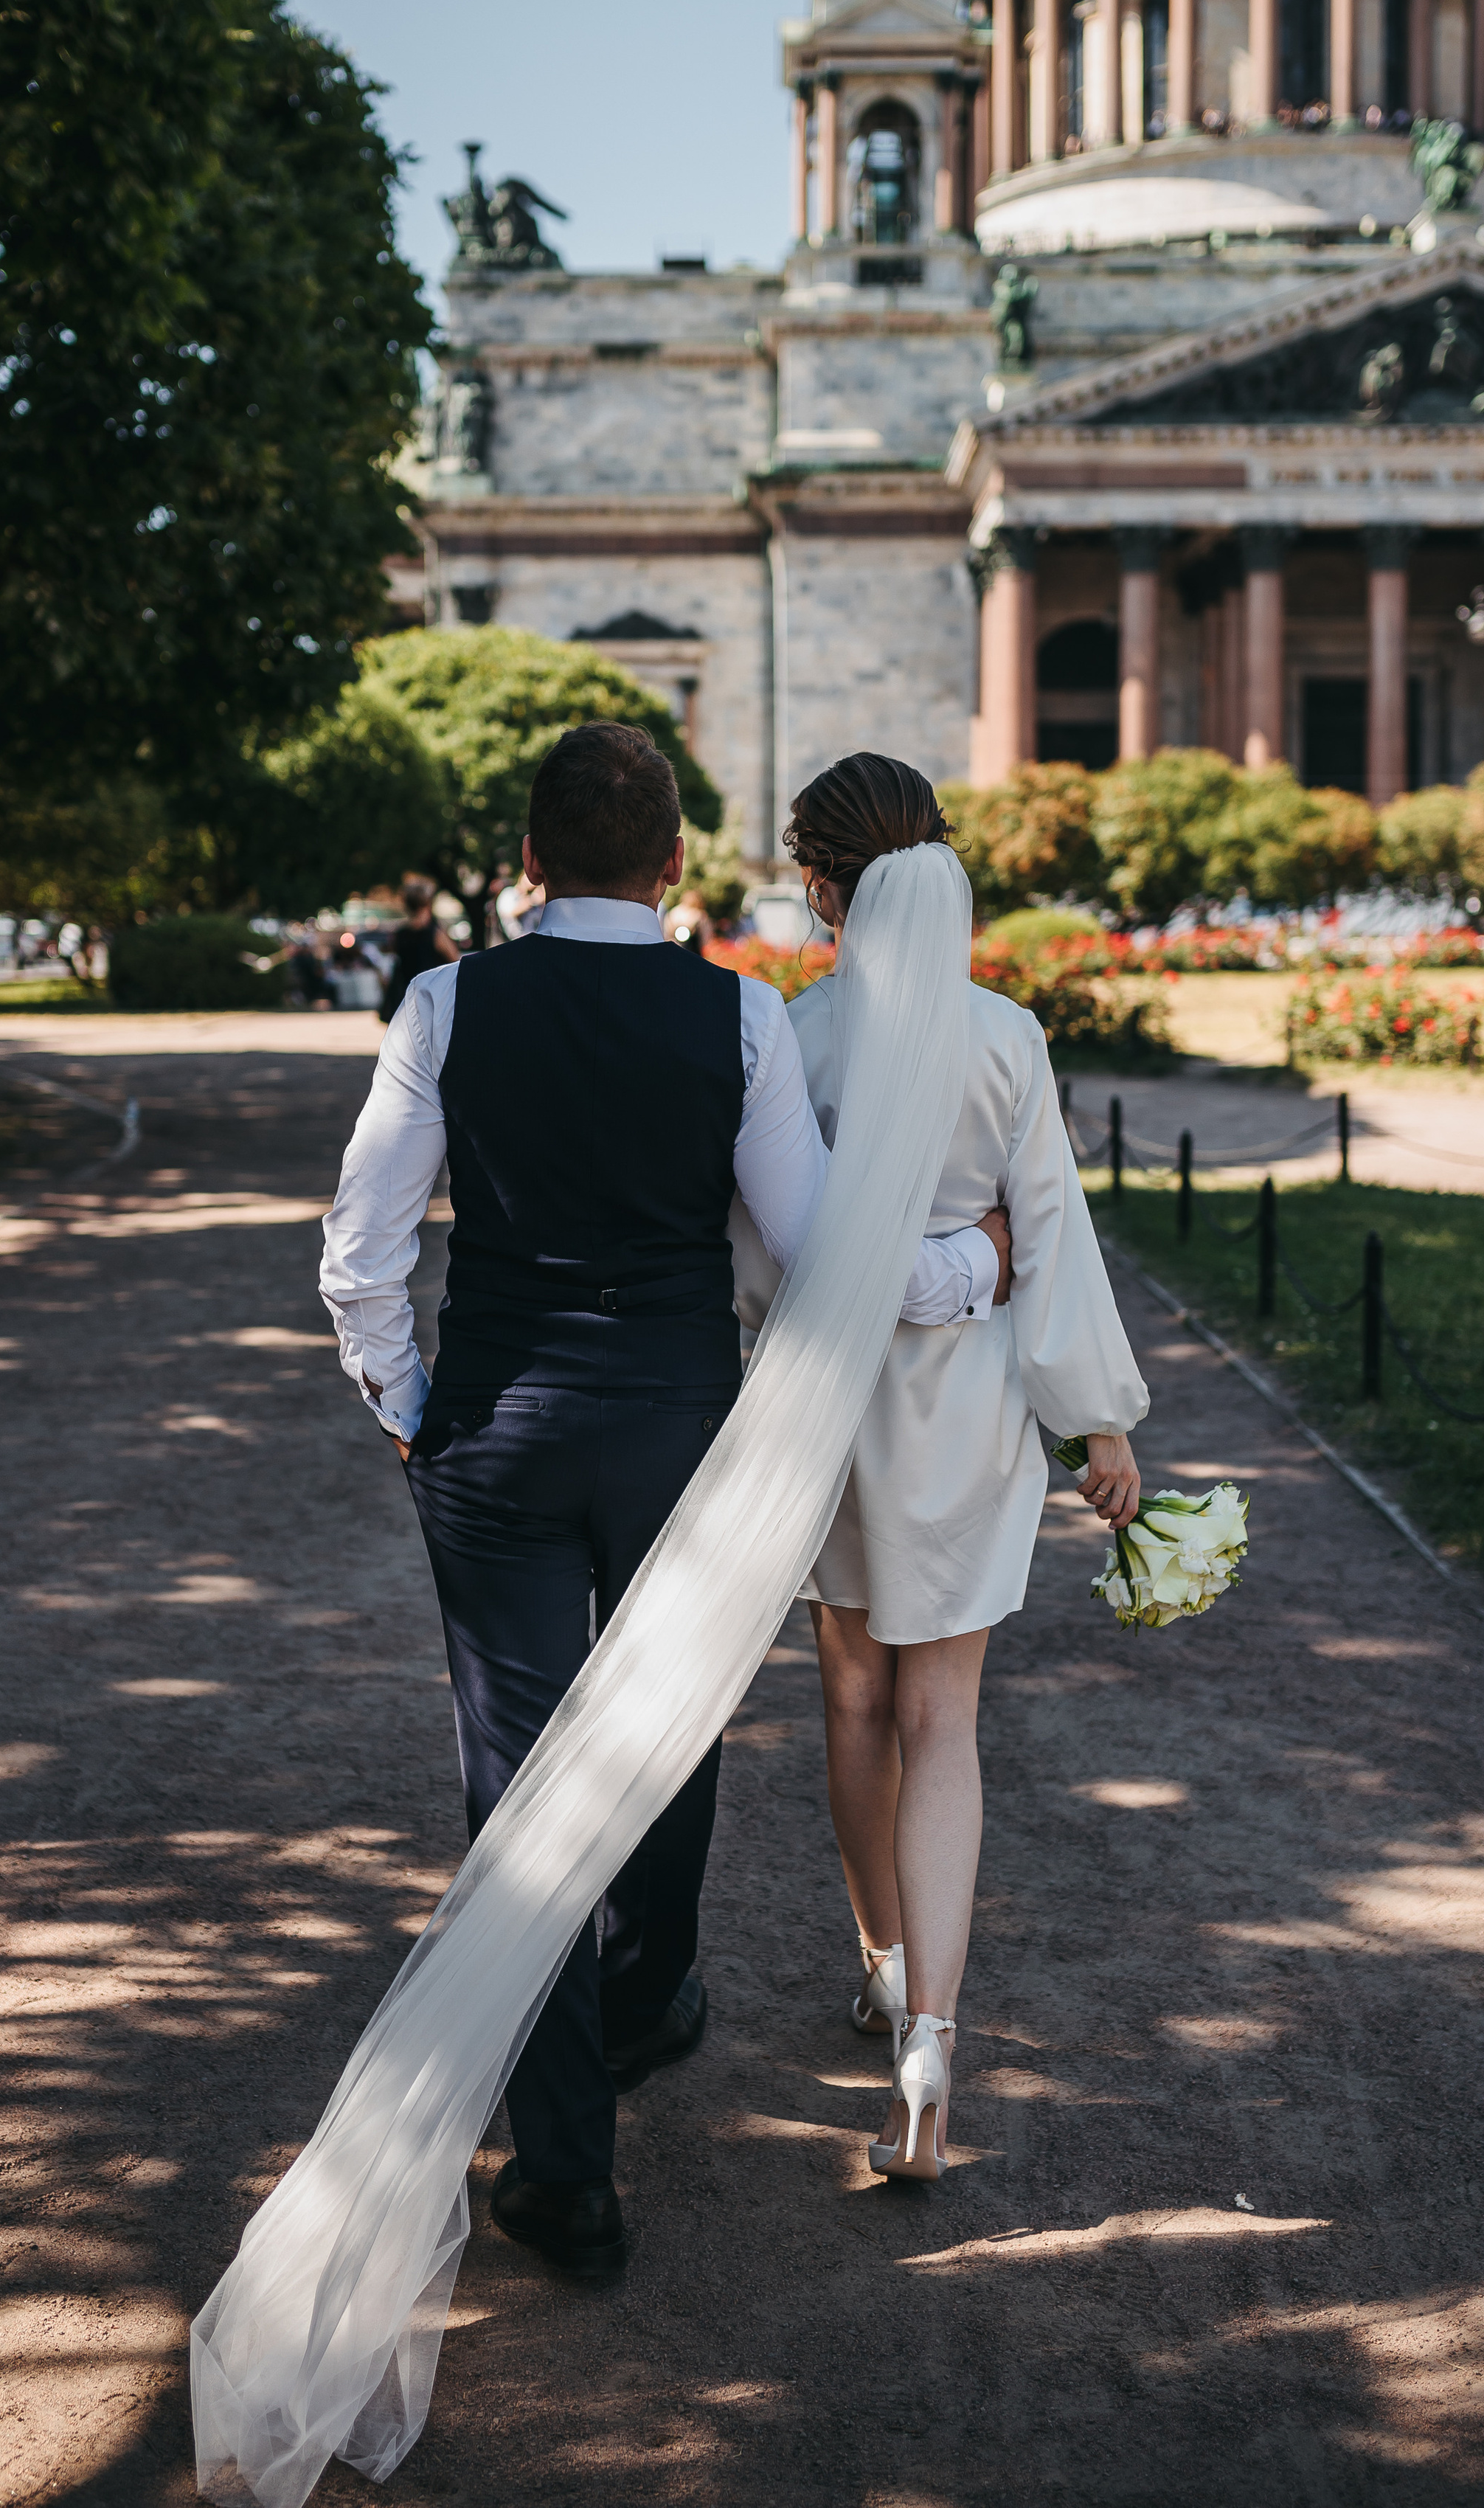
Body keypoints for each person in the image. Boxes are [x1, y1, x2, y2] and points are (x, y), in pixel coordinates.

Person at [316, 723, 1008, 2274]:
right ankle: (642, 1996)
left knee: (515, 1781)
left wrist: (412, 1412)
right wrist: (976, 1267)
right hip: (678, 1435)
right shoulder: (740, 1022)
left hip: (492, 1428)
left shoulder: (445, 1003)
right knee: (670, 1722)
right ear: (680, 862)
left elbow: (358, 1252)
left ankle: (565, 2165)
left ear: (529, 857)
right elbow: (829, 1247)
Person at [732, 753, 1149, 2183]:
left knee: (851, 1699)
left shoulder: (789, 1034)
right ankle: (934, 2041)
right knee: (947, 1723)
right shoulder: (1000, 1038)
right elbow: (1053, 1232)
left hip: (823, 1410)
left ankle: (882, 1967)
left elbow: (755, 1250)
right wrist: (1095, 1418)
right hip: (965, 1408)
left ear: (820, 884)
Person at [379, 873, 458, 1019]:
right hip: (433, 997)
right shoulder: (435, 934)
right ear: (428, 902)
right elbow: (455, 961)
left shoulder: (400, 935)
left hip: (407, 997)